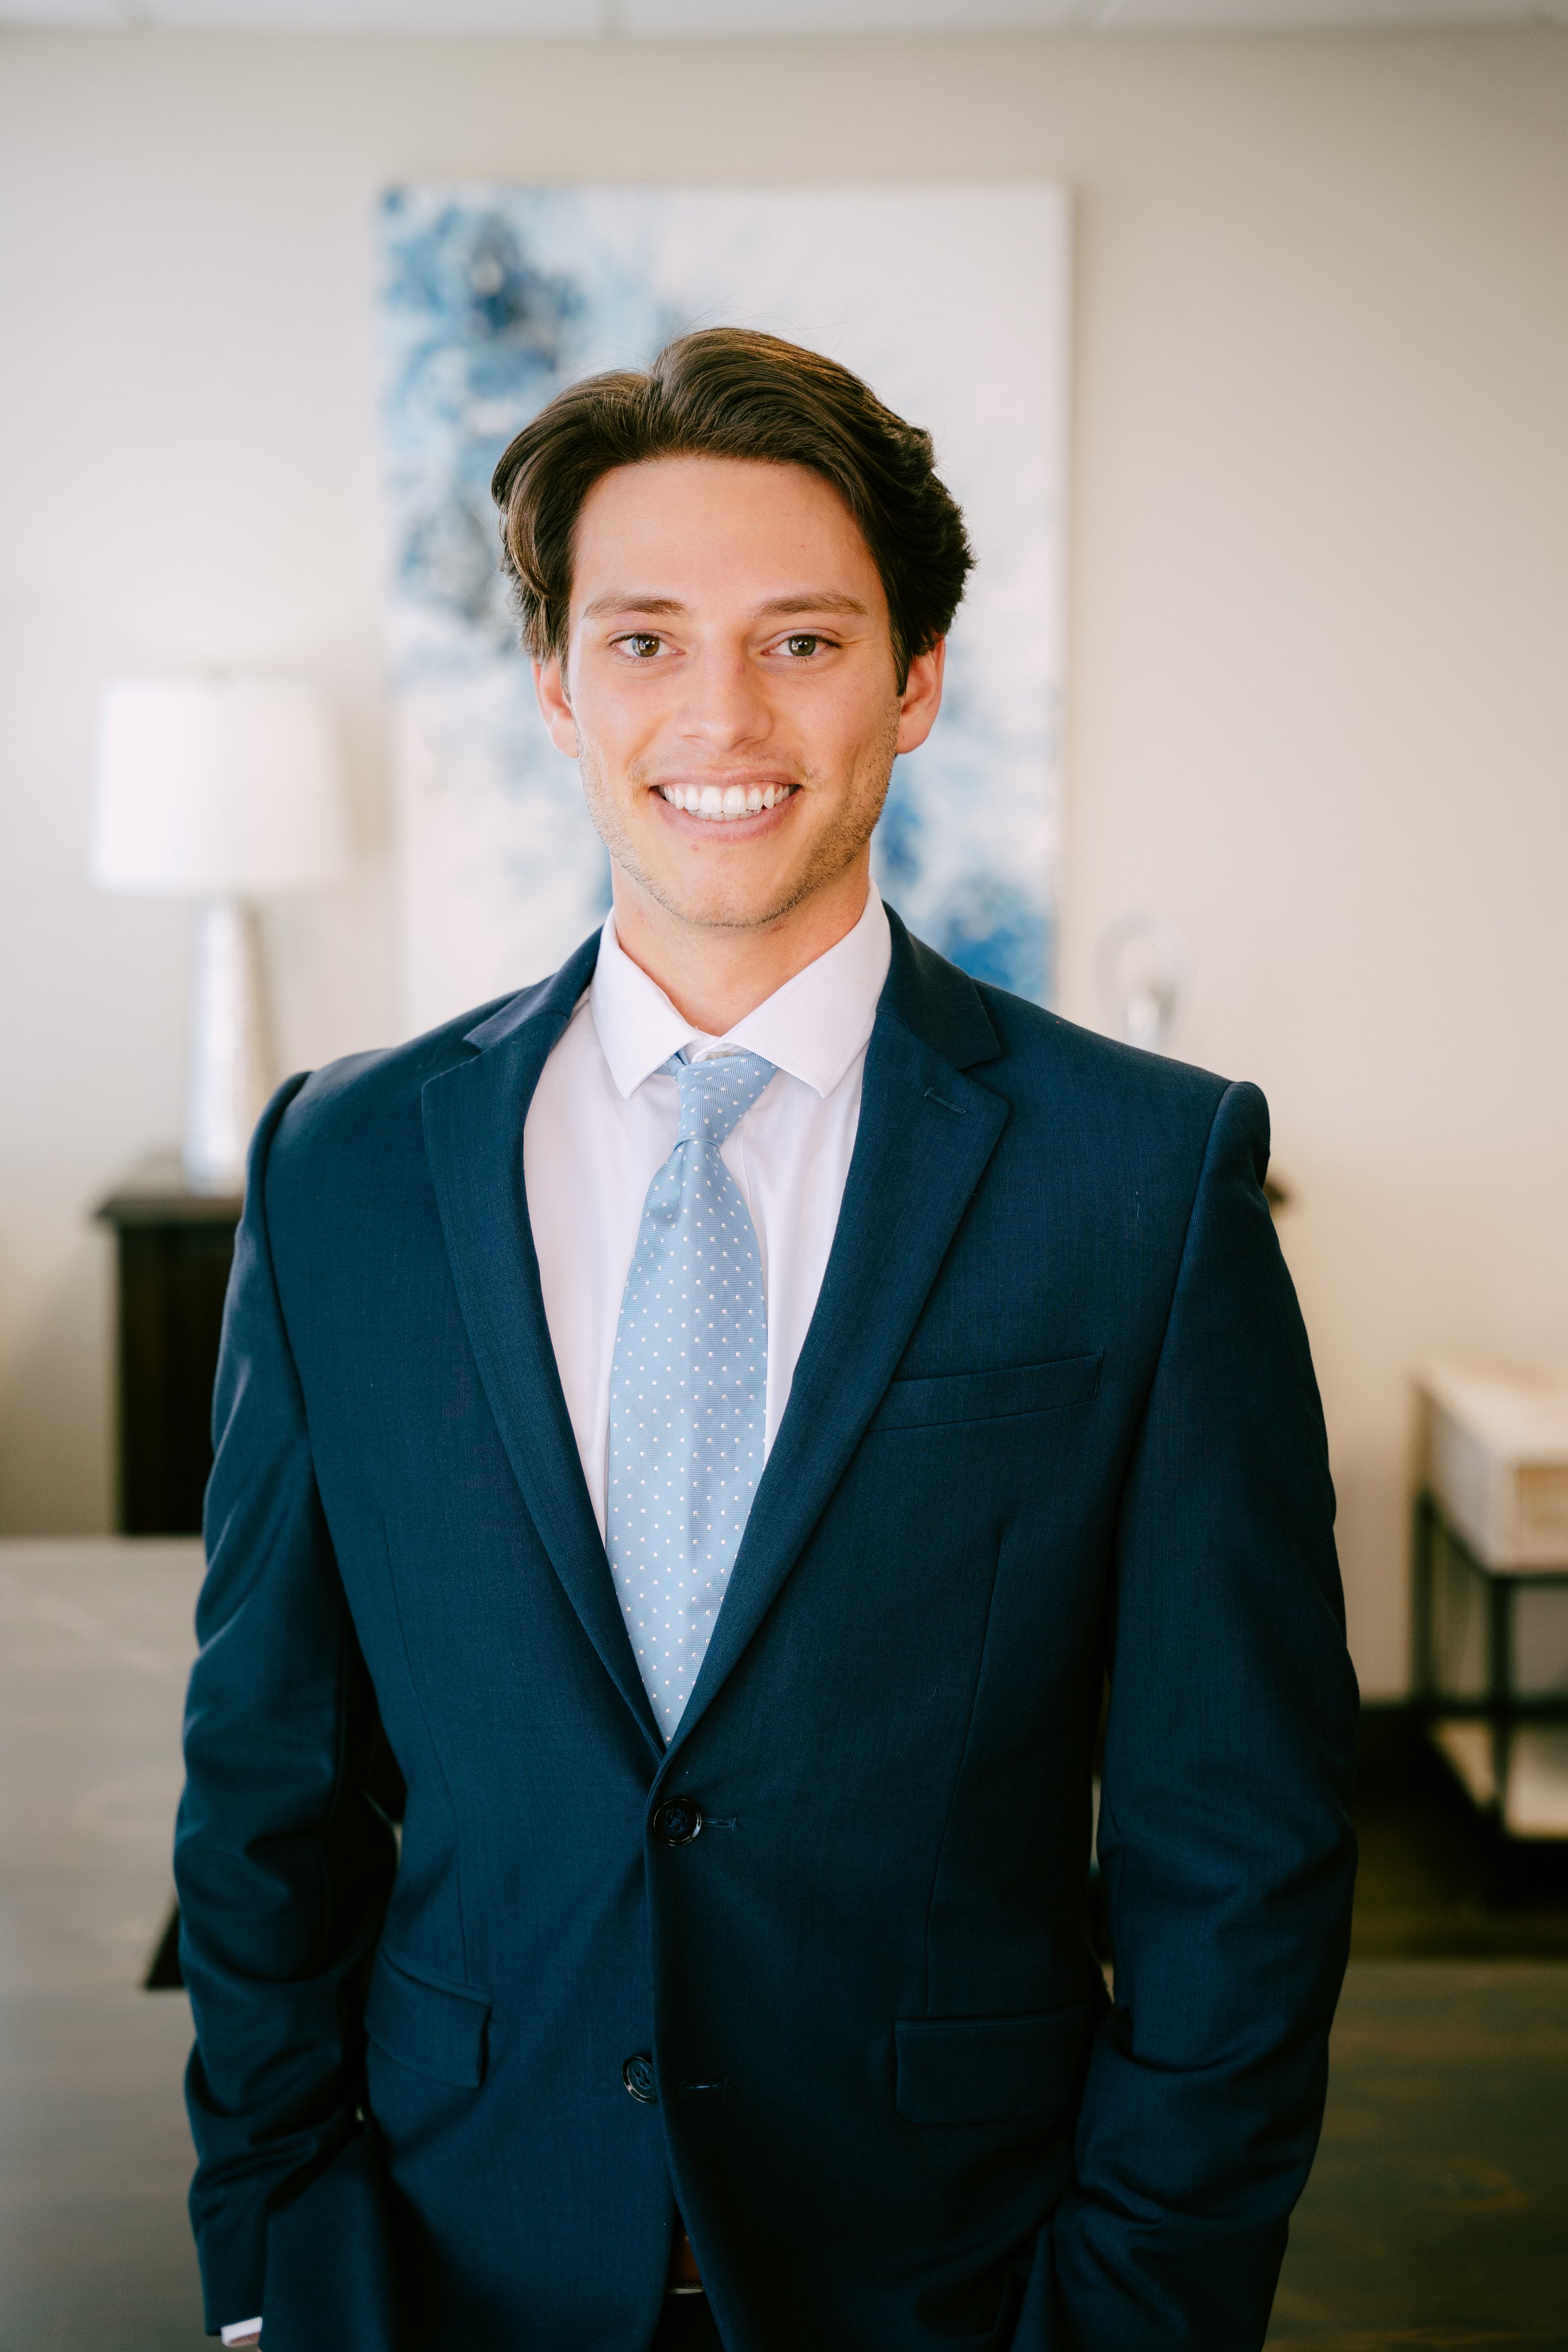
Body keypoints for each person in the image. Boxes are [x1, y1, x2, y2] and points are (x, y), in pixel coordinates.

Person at [175, 328, 1358, 2352]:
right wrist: (284, 2263)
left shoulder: (1145, 1182)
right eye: (642, 638)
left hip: (956, 2279)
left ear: (910, 681)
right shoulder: (341, 1169)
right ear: (556, 685)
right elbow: (267, 1788)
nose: (718, 711)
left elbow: (1234, 1845)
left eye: (801, 639)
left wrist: (1138, 2309)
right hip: (449, 2267)